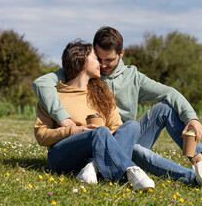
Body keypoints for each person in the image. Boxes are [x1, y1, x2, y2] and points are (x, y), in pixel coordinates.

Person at [33, 27, 202, 187]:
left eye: (109, 60)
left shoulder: (129, 79)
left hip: (120, 134)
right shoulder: (71, 79)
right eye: (98, 58)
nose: (103, 65)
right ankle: (191, 178)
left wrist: (192, 118)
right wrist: (66, 122)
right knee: (136, 150)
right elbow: (43, 84)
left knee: (156, 113)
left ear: (121, 53)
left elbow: (170, 93)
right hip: (89, 140)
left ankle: (201, 163)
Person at [34, 39, 155, 191]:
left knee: (132, 126)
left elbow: (117, 127)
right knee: (100, 130)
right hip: (61, 156)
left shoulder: (102, 95)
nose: (101, 63)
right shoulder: (53, 96)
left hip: (94, 152)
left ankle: (94, 166)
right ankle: (130, 170)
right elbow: (41, 135)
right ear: (84, 62)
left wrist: (102, 138)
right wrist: (75, 131)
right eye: (96, 58)